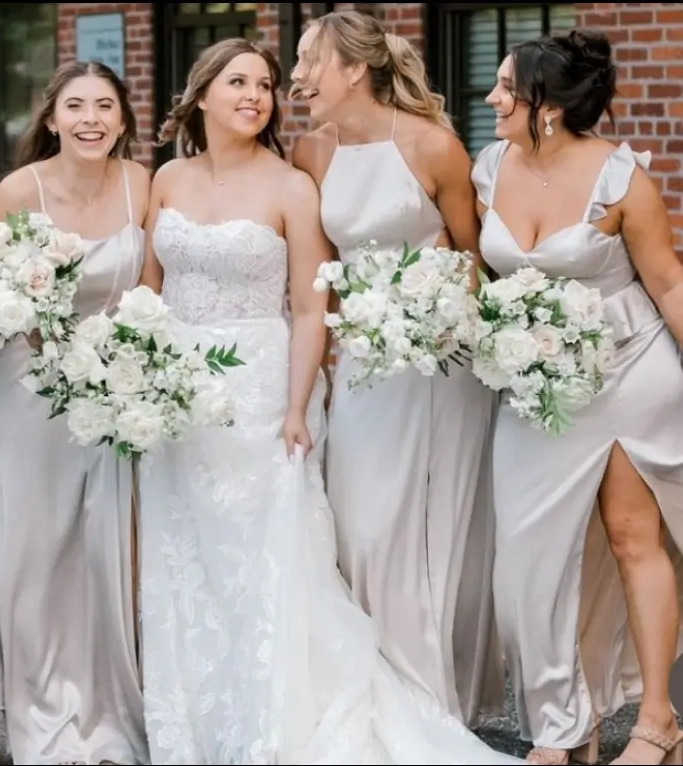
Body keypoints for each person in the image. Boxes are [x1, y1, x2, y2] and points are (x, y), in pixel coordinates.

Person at [136, 36, 524, 765]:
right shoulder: (167, 180)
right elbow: (147, 291)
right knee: (186, 554)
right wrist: (134, 368)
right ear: (200, 93)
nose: (257, 95)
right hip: (172, 399)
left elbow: (312, 304)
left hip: (263, 384)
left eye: (267, 83)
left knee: (276, 552)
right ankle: (195, 724)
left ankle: (281, 717)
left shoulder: (291, 181)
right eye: (239, 82)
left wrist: (294, 406)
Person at [472, 28, 683, 766]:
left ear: (548, 107)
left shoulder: (622, 180)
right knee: (525, 558)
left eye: (505, 88)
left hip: (628, 370)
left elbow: (665, 282)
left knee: (631, 538)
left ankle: (657, 720)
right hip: (533, 384)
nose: (491, 98)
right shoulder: (487, 164)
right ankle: (561, 724)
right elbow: (478, 273)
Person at [289, 9, 504, 725]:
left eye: (308, 61)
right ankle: (376, 692)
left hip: (440, 365)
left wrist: (433, 318)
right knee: (363, 525)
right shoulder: (310, 153)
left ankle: (432, 698)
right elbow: (318, 278)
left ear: (354, 68)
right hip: (361, 364)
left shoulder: (431, 146)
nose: (296, 77)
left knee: (435, 524)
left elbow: (474, 257)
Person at [0, 60, 151, 765]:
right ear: (50, 119)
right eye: (75, 106)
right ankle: (41, 717)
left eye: (104, 105)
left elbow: (153, 291)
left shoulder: (144, 185)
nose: (90, 119)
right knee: (34, 552)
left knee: (104, 553)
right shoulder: (20, 190)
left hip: (117, 389)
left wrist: (126, 365)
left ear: (121, 117)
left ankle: (107, 713)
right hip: (30, 392)